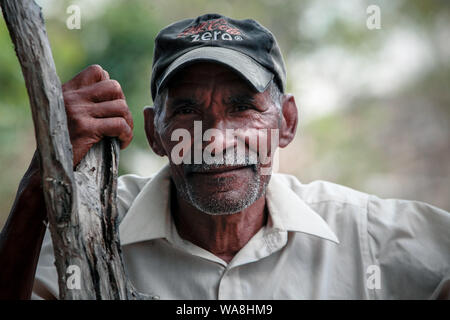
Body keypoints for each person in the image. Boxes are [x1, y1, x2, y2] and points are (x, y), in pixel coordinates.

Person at [0, 13, 449, 300]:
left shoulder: (365, 236)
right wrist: (44, 174)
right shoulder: (89, 228)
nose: (214, 138)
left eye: (242, 107)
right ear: (156, 132)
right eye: (187, 110)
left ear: (286, 122)